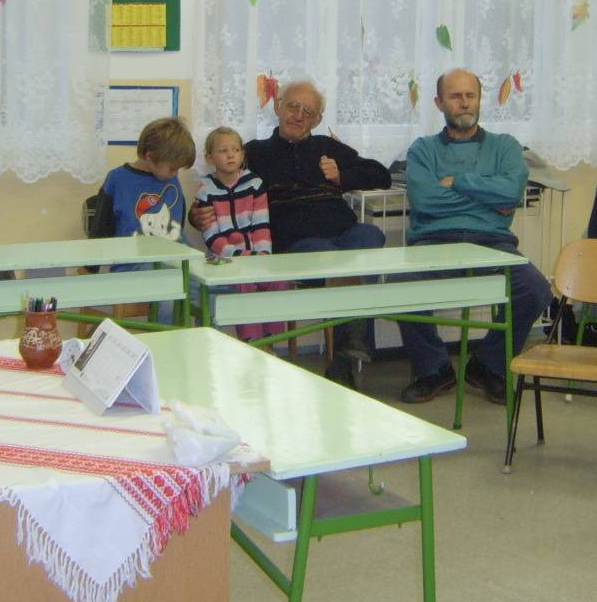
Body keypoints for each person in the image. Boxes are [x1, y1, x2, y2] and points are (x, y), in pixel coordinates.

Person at [192, 80, 393, 386]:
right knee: (338, 259)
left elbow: (381, 174)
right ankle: (348, 354)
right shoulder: (254, 152)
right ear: (277, 107)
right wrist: (196, 216)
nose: (298, 115)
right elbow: (218, 188)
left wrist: (342, 175)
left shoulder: (327, 147)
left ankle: (346, 352)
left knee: (370, 236)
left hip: (344, 230)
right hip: (298, 241)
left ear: (318, 120)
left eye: (308, 111)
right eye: (293, 106)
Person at [396, 69, 551, 404]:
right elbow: (425, 200)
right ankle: (433, 370)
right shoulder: (423, 149)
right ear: (439, 103)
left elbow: (511, 193)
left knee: (535, 288)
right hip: (434, 242)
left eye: (470, 95)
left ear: (479, 99)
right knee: (400, 283)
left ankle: (488, 366)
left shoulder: (505, 146)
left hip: (492, 243)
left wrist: (458, 182)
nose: (464, 103)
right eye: (455, 96)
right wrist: (487, 199)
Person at [193, 125, 288, 343]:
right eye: (223, 151)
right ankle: (252, 341)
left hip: (256, 256)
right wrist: (239, 257)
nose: (230, 155)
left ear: (243, 154)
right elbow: (212, 236)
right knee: (244, 283)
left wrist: (262, 255)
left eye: (235, 150)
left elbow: (262, 225)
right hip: (224, 261)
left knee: (279, 281)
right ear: (209, 157)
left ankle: (272, 339)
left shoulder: (254, 183)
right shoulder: (205, 189)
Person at [99, 116, 194, 241]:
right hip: (131, 252)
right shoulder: (117, 180)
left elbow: (178, 226)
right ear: (150, 157)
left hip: (171, 252)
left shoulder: (171, 180)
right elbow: (99, 234)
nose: (175, 174)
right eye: (172, 169)